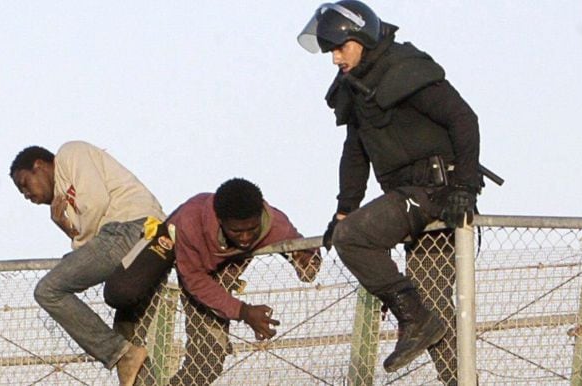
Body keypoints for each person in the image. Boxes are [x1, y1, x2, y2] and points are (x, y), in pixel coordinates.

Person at [298, 1, 481, 384]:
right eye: (330, 50)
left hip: (438, 191)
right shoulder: (356, 87)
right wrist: (344, 210)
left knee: (354, 240)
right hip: (406, 195)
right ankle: (457, 376)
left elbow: (463, 119)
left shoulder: (404, 68)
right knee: (432, 306)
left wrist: (464, 186)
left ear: (360, 37)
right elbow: (355, 151)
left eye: (339, 47)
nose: (334, 59)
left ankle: (412, 317)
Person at [9, 140, 166, 386]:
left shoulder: (69, 154)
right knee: (126, 332)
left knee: (48, 290)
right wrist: (68, 229)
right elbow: (92, 239)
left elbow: (96, 203)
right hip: (128, 241)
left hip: (134, 228)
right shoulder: (63, 204)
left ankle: (120, 354)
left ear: (38, 165)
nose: (26, 195)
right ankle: (133, 364)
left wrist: (76, 239)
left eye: (24, 184)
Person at [165, 178, 322, 386]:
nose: (246, 237)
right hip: (179, 263)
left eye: (252, 229)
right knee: (205, 362)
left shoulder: (275, 224)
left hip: (219, 280)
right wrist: (244, 311)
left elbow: (307, 259)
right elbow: (194, 279)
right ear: (220, 221)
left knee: (207, 364)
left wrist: (307, 260)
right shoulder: (191, 222)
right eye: (237, 232)